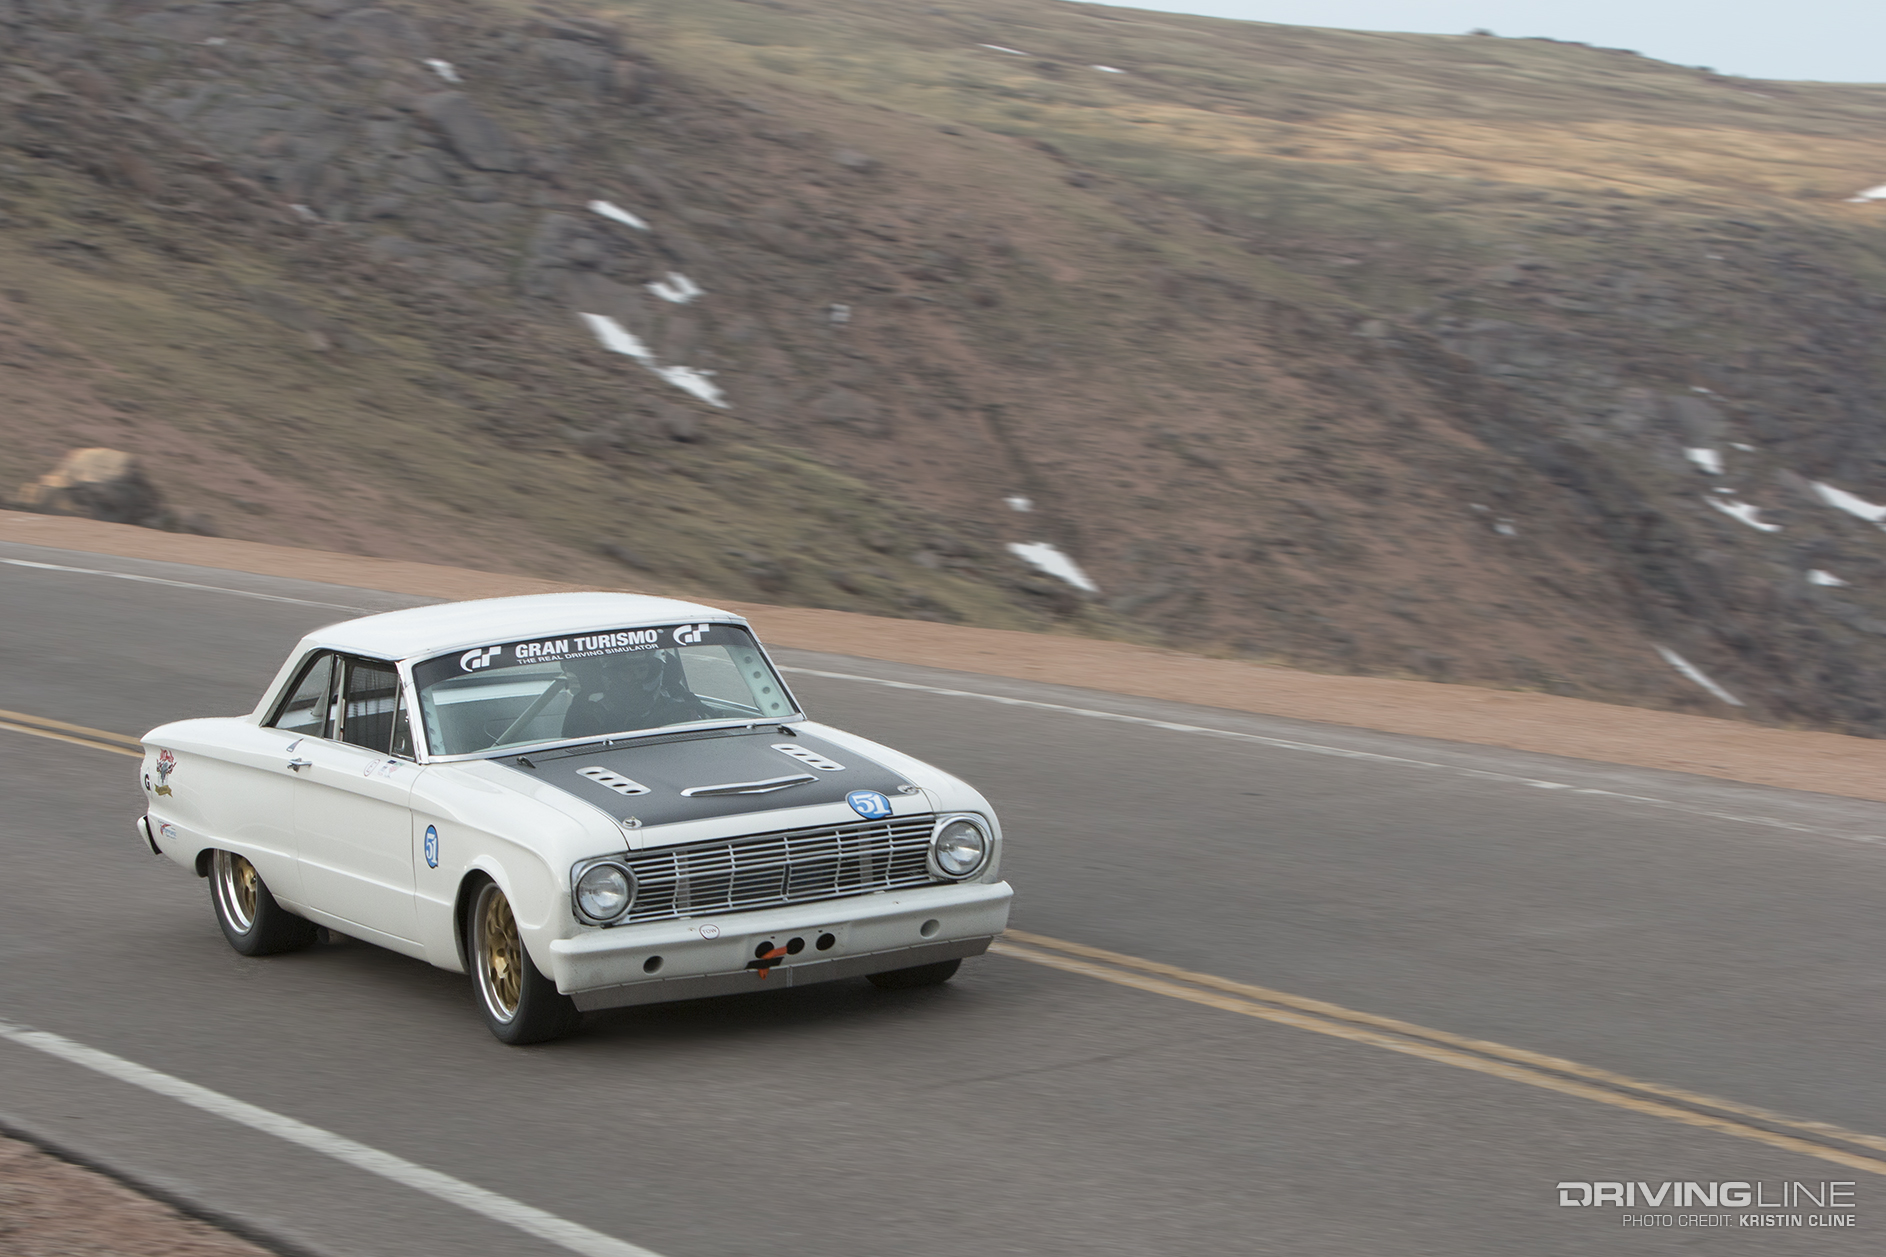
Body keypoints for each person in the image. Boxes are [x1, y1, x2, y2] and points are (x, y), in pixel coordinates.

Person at [559, 648, 706, 739]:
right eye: (627, 672)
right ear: (614, 676)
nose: (635, 678)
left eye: (641, 670)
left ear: (654, 671)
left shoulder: (681, 701)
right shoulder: (589, 712)